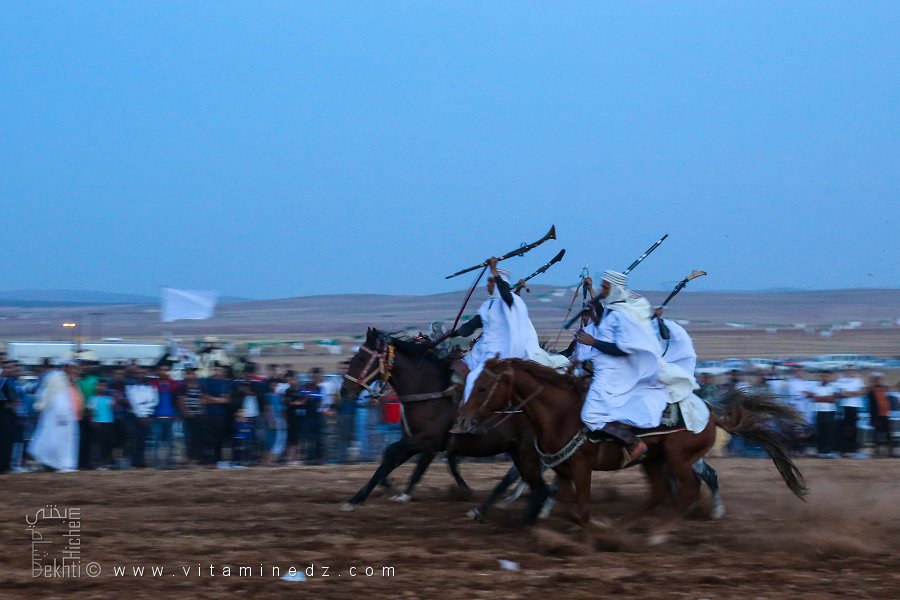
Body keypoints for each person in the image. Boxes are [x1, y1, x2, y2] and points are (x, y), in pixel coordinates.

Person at [574, 270, 669, 464]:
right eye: (602, 286)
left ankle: (633, 443)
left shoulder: (623, 315)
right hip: (603, 370)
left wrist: (593, 342)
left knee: (590, 415)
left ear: (615, 290)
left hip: (613, 374)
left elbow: (623, 349)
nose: (602, 290)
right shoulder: (613, 310)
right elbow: (605, 324)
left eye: (605, 287)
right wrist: (593, 297)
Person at [450, 257, 543, 402]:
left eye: (491, 281)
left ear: (501, 283)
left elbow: (506, 295)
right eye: (488, 281)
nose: (488, 284)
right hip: (481, 350)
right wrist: (456, 333)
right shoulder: (488, 305)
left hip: (499, 352)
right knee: (457, 371)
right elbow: (473, 324)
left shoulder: (510, 301)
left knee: (474, 378)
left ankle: (468, 416)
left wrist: (494, 270)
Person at [29, 363, 82, 472]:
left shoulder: (67, 380)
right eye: (72, 367)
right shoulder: (56, 377)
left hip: (66, 416)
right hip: (55, 416)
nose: (74, 370)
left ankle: (63, 463)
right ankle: (55, 463)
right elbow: (49, 395)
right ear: (66, 367)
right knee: (53, 438)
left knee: (65, 440)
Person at [806, 370, 839, 458]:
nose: (825, 378)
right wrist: (826, 398)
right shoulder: (815, 387)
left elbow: (833, 399)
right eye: (823, 376)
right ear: (820, 377)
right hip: (819, 411)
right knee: (820, 431)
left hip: (830, 412)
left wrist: (819, 398)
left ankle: (829, 451)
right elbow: (812, 397)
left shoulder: (834, 387)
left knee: (829, 432)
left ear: (829, 378)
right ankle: (820, 451)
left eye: (827, 376)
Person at [835, 368, 866, 458]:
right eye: (848, 370)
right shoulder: (841, 380)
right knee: (845, 429)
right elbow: (841, 394)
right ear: (844, 371)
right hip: (844, 407)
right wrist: (855, 393)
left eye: (852, 370)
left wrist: (850, 393)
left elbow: (862, 391)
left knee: (853, 429)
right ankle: (844, 449)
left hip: (854, 407)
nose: (850, 372)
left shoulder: (858, 380)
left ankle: (852, 450)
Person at [866, 373, 895, 458]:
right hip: (876, 416)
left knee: (888, 434)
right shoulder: (871, 391)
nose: (878, 381)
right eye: (876, 379)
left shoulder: (884, 389)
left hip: (885, 415)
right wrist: (873, 419)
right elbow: (871, 406)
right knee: (877, 435)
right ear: (874, 381)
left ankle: (890, 452)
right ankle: (876, 452)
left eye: (879, 379)